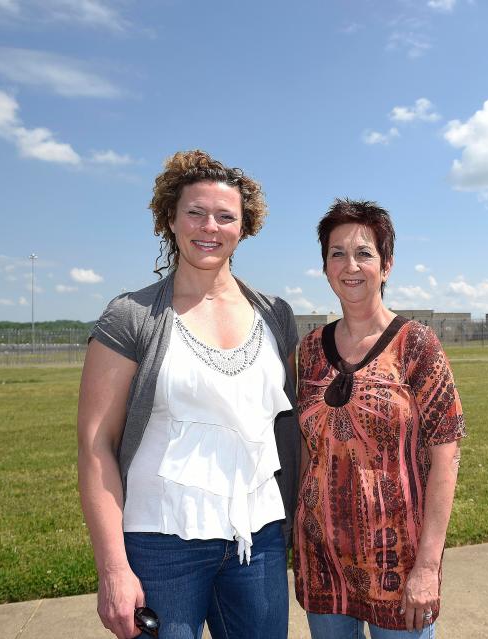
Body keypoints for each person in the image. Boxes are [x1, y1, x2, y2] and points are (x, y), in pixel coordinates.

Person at [77, 150, 299, 639]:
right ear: (170, 219)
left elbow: (284, 427)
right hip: (161, 545)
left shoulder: (275, 315)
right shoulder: (130, 317)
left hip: (257, 541)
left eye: (226, 216)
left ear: (245, 228)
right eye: (195, 212)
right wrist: (114, 568)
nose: (210, 226)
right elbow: (96, 447)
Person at [294, 199, 466, 638]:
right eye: (337, 253)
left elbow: (446, 460)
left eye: (364, 253)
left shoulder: (417, 346)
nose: (350, 265)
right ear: (325, 266)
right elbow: (304, 450)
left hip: (399, 567)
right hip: (324, 565)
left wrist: (428, 566)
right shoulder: (311, 350)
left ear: (386, 266)